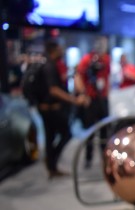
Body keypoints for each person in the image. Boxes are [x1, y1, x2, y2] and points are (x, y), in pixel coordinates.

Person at [37, 40, 88, 179]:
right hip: (52, 109)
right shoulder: (49, 66)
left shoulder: (48, 64)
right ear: (53, 50)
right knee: (66, 134)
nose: (62, 51)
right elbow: (54, 90)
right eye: (59, 49)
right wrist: (74, 100)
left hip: (46, 108)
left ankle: (51, 166)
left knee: (50, 137)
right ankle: (51, 161)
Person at [76, 36, 111, 169]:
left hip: (103, 99)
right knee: (90, 130)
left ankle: (105, 158)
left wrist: (107, 94)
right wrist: (83, 94)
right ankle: (88, 157)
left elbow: (107, 78)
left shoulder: (106, 59)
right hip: (91, 99)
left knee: (105, 131)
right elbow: (79, 76)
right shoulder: (87, 59)